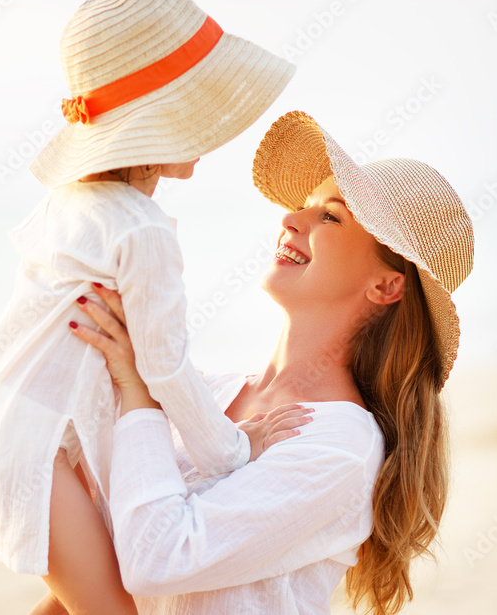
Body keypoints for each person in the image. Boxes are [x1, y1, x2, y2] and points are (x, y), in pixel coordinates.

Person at [0, 0, 296, 612]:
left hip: (19, 427)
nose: (215, 127)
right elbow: (165, 366)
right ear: (158, 122)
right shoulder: (140, 230)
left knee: (84, 601)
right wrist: (234, 449)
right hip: (42, 446)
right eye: (201, 109)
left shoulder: (70, 205)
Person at [67, 110, 475, 614]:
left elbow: (158, 559)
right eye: (304, 207)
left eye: (331, 216)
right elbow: (91, 547)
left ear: (387, 285)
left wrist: (136, 387)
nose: (291, 219)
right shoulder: (202, 392)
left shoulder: (340, 446)